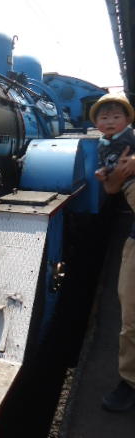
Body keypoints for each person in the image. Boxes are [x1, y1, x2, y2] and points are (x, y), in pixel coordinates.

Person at [89, 92, 135, 411]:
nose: (109, 121)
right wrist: (109, 176)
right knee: (130, 313)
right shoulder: (102, 146)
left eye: (115, 116)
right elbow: (111, 188)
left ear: (127, 120)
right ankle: (131, 381)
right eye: (103, 117)